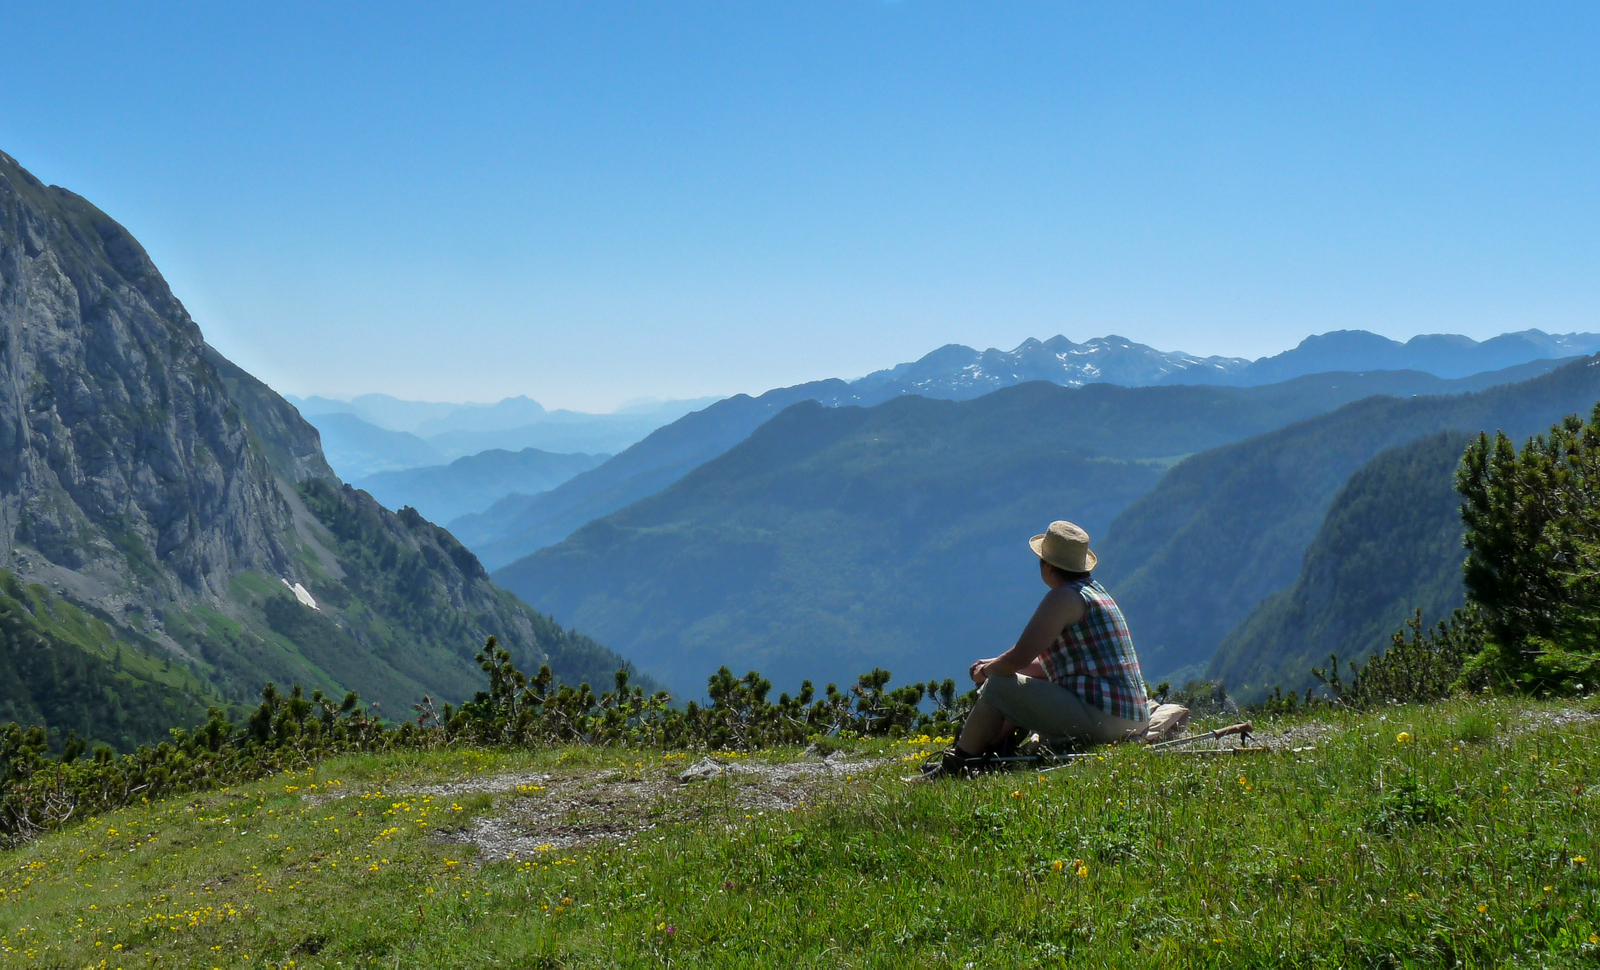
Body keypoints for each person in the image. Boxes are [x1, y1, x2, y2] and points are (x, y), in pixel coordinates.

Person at [931, 520, 1149, 778]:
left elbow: (1019, 657)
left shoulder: (1063, 597)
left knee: (999, 686)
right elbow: (1045, 667)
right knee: (1015, 687)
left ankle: (958, 766)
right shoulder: (1095, 593)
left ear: (1047, 567)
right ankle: (991, 754)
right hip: (1131, 716)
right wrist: (993, 663)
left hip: (1106, 718)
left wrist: (987, 671)